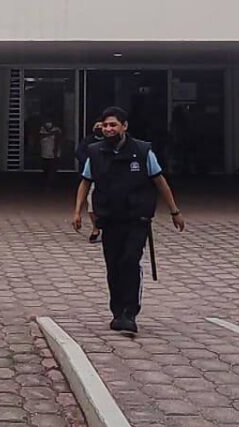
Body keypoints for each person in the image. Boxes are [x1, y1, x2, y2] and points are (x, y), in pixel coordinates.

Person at [72, 106, 185, 335]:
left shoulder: (142, 152)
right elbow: (85, 182)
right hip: (110, 219)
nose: (108, 129)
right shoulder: (95, 152)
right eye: (105, 125)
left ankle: (130, 313)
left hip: (136, 218)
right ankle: (117, 312)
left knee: (130, 261)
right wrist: (77, 212)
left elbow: (160, 181)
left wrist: (174, 211)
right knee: (113, 266)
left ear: (124, 126)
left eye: (113, 125)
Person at [75, 120, 107, 244]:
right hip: (94, 179)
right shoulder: (88, 141)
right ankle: (95, 228)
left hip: (111, 181)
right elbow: (79, 152)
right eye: (97, 126)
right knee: (92, 208)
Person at [39, 119, 62, 184]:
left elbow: (58, 140)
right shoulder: (42, 129)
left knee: (52, 168)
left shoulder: (57, 129)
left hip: (53, 153)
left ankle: (50, 183)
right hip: (44, 153)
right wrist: (51, 133)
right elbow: (41, 136)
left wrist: (55, 151)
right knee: (45, 168)